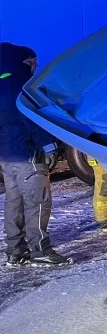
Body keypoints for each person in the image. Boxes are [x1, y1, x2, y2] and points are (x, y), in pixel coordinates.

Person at [0, 43, 73, 267]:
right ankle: (40, 251)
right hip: (28, 154)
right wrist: (49, 145)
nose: (35, 66)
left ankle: (15, 250)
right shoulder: (21, 87)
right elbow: (31, 118)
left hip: (8, 157)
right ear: (19, 62)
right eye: (31, 62)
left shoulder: (1, 85)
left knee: (14, 202)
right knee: (38, 202)